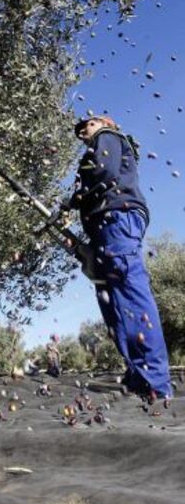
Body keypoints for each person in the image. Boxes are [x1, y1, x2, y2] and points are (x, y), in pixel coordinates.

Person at [62, 115, 172, 402]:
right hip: (105, 224)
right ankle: (138, 376)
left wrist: (72, 201)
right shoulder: (97, 146)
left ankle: (156, 383)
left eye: (87, 125)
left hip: (116, 217)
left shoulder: (107, 138)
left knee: (130, 293)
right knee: (113, 301)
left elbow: (103, 171)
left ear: (104, 122)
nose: (82, 131)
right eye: (79, 130)